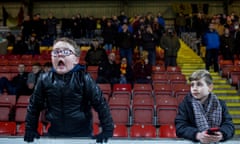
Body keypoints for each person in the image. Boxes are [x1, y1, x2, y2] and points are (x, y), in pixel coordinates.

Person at [24, 37, 114, 143]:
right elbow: (34, 106)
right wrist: (30, 128)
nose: (60, 55)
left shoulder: (84, 78)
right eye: (56, 52)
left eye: (66, 52)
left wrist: (107, 130)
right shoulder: (44, 79)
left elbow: (100, 104)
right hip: (55, 134)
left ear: (75, 59)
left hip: (82, 135)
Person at [175, 69, 235, 144]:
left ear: (210, 88)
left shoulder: (221, 104)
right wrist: (198, 135)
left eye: (199, 84)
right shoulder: (185, 104)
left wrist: (221, 134)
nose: (194, 88)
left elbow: (229, 125)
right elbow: (180, 127)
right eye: (192, 85)